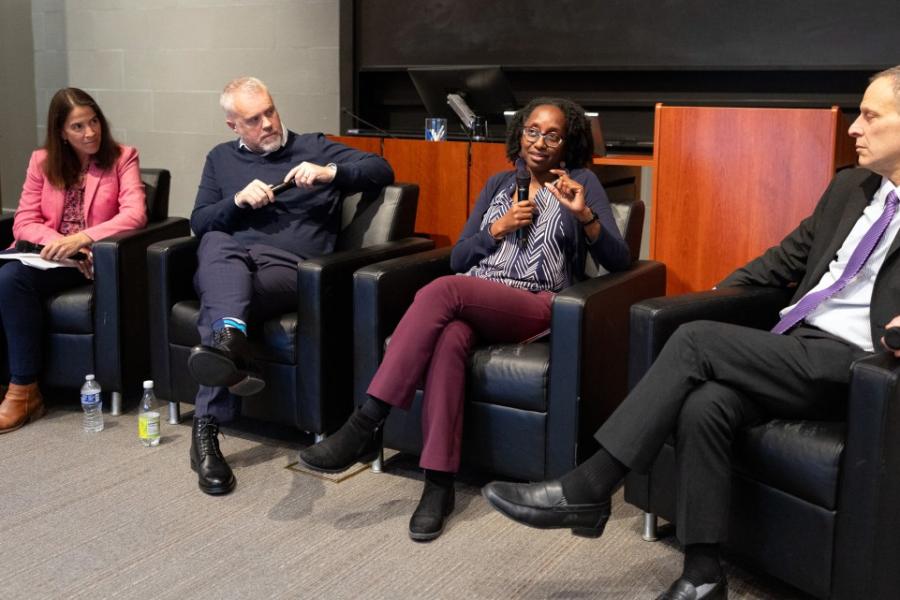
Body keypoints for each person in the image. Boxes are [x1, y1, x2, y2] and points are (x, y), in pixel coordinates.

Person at [481, 66, 900, 600]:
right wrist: (712, 300)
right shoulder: (851, 186)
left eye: (869, 115)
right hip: (799, 346)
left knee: (696, 341)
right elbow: (783, 261)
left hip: (862, 367)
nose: (853, 129)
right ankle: (704, 575)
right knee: (707, 404)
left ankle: (589, 485)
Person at [299, 97, 631, 541]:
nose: (540, 142)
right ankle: (438, 485)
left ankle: (365, 421)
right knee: (450, 337)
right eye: (532, 131)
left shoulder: (582, 182)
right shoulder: (498, 184)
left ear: (567, 142)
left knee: (444, 290)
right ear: (520, 135)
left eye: (552, 135)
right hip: (476, 296)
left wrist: (584, 215)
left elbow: (619, 260)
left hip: (535, 303)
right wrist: (497, 229)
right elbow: (459, 256)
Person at [185, 76, 394, 496]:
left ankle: (206, 423)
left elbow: (381, 169)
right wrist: (237, 202)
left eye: (270, 111)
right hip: (232, 263)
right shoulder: (220, 159)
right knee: (216, 242)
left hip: (288, 269)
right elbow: (199, 220)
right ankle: (231, 344)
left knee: (222, 295)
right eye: (253, 119)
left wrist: (329, 172)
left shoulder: (313, 146)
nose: (267, 124)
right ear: (233, 126)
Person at [0, 87, 147, 434]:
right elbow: (24, 221)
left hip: (90, 262)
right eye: (78, 127)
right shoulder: (41, 161)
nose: (90, 132)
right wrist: (59, 242)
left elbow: (135, 215)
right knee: (7, 276)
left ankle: (24, 390)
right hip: (50, 256)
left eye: (93, 121)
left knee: (9, 280)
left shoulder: (122, 157)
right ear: (61, 133)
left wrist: (84, 239)